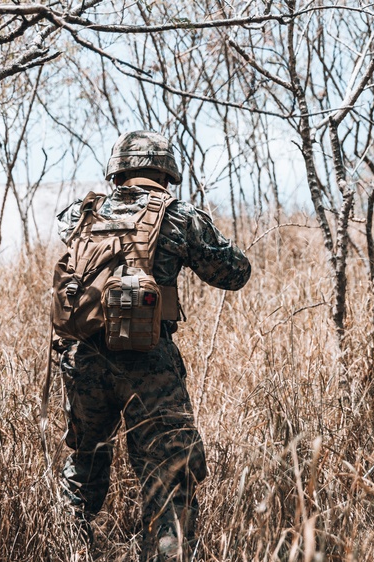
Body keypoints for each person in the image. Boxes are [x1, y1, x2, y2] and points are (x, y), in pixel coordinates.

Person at [51, 130, 251, 561]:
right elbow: (234, 273)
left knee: (84, 464)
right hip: (149, 361)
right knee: (170, 476)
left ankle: (67, 548)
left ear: (118, 170)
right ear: (165, 171)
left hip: (82, 357)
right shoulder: (179, 214)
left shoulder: (79, 212)